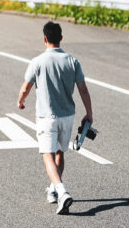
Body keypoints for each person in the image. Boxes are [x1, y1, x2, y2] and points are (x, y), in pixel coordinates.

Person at [16, 20, 93, 215]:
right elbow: (83, 89)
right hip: (67, 115)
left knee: (47, 154)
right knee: (60, 152)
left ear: (45, 39)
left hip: (46, 116)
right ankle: (53, 189)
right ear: (61, 38)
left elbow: (26, 87)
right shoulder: (72, 61)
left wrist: (21, 101)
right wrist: (89, 113)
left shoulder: (37, 61)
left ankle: (61, 190)